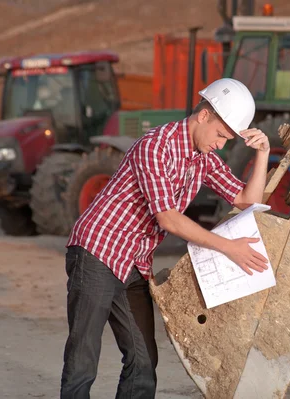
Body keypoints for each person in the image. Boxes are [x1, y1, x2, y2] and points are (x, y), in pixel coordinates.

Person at [60, 78, 270, 398]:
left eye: (228, 139)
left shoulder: (203, 159)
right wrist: (229, 248)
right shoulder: (155, 146)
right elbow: (168, 217)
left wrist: (263, 155)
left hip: (134, 261)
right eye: (220, 135)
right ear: (203, 116)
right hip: (97, 251)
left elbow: (247, 200)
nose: (221, 144)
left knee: (144, 361)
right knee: (84, 355)